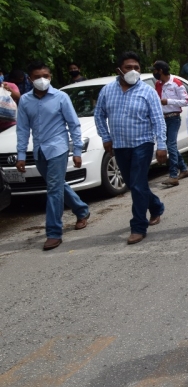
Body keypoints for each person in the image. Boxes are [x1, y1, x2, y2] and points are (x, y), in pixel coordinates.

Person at [15, 62, 90, 250]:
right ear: (29, 79)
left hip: (58, 148)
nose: (42, 80)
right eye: (38, 76)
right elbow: (22, 129)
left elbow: (74, 124)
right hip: (39, 150)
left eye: (46, 76)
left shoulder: (61, 97)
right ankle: (81, 210)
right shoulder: (25, 100)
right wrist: (21, 154)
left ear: (50, 77)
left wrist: (78, 151)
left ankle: (54, 232)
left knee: (54, 189)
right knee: (56, 185)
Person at [94, 51, 167, 245]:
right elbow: (99, 115)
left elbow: (158, 120)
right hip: (120, 145)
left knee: (136, 184)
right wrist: (105, 137)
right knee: (135, 184)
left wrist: (162, 145)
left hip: (142, 143)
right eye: (128, 67)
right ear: (119, 69)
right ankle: (156, 206)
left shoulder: (148, 92)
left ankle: (138, 226)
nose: (133, 71)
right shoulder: (107, 91)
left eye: (136, 67)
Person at [152, 61, 188, 186]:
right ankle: (183, 169)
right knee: (170, 145)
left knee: (171, 145)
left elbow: (186, 101)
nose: (154, 73)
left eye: (155, 70)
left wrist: (168, 101)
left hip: (174, 118)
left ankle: (173, 175)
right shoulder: (158, 84)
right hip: (163, 118)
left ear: (161, 71)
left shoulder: (176, 83)